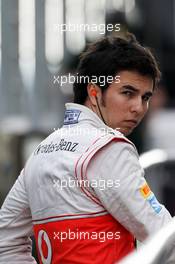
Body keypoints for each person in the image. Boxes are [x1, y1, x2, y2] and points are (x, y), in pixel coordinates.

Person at [0, 33, 172, 264]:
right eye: (128, 93)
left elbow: (5, 242)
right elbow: (163, 237)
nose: (138, 108)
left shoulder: (41, 151)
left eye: (145, 97)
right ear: (94, 92)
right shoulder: (110, 148)